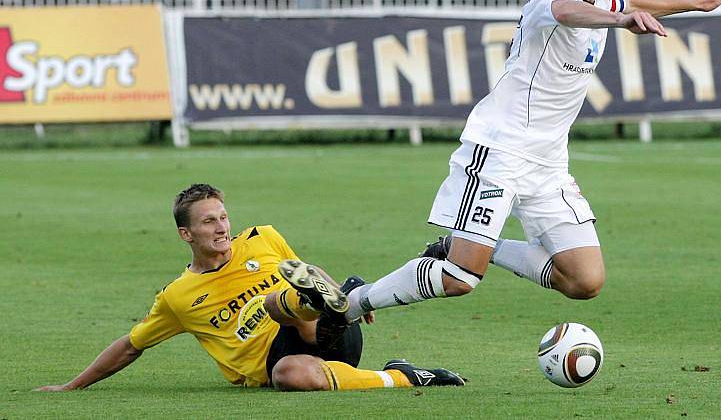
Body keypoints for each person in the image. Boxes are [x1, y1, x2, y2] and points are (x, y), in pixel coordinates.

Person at [283, 0, 721, 323]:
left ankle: (473, 246)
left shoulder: (604, 0)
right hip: (499, 148)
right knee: (460, 279)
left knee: (584, 280)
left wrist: (694, 4)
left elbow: (633, 2)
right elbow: (568, 13)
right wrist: (622, 23)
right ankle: (355, 301)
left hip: (548, 165)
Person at [35, 183, 464, 392]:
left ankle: (343, 302)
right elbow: (131, 345)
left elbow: (304, 267)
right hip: (280, 362)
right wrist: (73, 386)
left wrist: (341, 296)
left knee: (281, 301)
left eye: (223, 217)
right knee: (291, 375)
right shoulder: (177, 297)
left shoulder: (261, 237)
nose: (222, 227)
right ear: (186, 234)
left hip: (328, 335)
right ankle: (406, 376)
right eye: (209, 222)